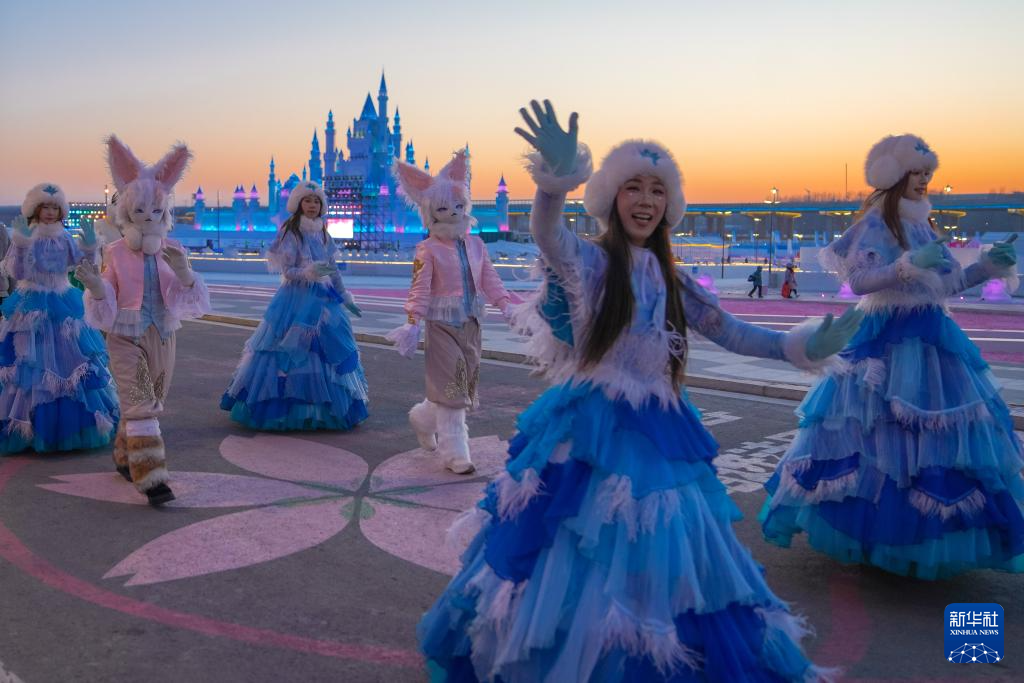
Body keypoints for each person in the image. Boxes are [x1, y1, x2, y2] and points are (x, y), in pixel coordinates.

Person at [418, 100, 861, 682]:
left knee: (661, 549)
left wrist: (798, 346)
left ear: (669, 205)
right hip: (592, 425)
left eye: (657, 190)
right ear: (610, 198)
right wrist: (554, 181)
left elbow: (730, 330)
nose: (646, 200)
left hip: (660, 426)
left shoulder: (674, 280)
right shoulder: (590, 261)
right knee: (577, 547)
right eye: (633, 188)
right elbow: (547, 233)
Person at [760, 134, 1023, 579]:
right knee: (875, 437)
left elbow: (947, 285)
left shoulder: (923, 225)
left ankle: (916, 537)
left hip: (932, 338)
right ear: (894, 176)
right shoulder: (876, 223)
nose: (924, 181)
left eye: (927, 174)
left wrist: (987, 266)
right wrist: (905, 266)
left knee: (931, 443)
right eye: (916, 173)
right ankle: (876, 536)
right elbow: (859, 281)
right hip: (884, 339)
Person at [78, 135, 211, 506]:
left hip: (163, 335)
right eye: (140, 211)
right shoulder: (115, 252)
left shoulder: (174, 249)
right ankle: (151, 477)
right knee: (141, 404)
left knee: (151, 400)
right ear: (127, 213)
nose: (148, 218)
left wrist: (185, 273)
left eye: (155, 210)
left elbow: (188, 300)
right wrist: (96, 287)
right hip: (125, 335)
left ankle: (125, 455)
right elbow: (106, 297)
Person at [386, 151, 513, 474]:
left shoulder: (477, 245)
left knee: (459, 389)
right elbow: (420, 286)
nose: (453, 212)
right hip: (441, 325)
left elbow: (490, 279)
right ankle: (455, 453)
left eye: (457, 205)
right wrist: (412, 322)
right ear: (431, 213)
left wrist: (506, 304)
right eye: (444, 208)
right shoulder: (427, 249)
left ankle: (422, 418)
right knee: (454, 391)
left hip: (471, 324)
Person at [220, 181, 368, 431]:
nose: (312, 205)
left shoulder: (324, 233)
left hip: (324, 299)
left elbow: (332, 269)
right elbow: (287, 271)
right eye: (307, 200)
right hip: (295, 300)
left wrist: (345, 296)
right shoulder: (291, 232)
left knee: (327, 349)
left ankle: (320, 409)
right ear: (298, 204)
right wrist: (308, 273)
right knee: (288, 350)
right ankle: (284, 409)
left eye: (316, 201)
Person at [0, 183, 119, 453]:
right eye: (46, 207)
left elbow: (81, 265)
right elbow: (18, 273)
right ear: (35, 209)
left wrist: (89, 246)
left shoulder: (64, 236)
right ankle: (27, 427)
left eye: (55, 208)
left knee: (69, 363)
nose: (51, 212)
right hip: (30, 304)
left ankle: (65, 427)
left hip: (63, 301)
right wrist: (21, 245)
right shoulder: (26, 236)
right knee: (29, 367)